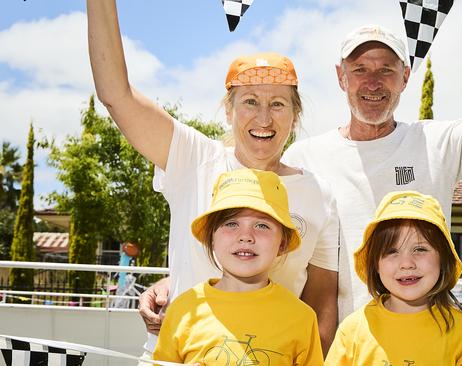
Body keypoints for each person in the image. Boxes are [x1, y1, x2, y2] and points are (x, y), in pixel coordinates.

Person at [86, 1, 339, 358]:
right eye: (250, 102)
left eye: (278, 104)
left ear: (295, 115)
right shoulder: (194, 158)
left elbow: (321, 302)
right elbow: (116, 95)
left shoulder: (319, 194)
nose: (264, 119)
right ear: (229, 109)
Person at [283, 0, 462, 318]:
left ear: (405, 77)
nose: (373, 82)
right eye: (359, 69)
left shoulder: (436, 143)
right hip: (339, 347)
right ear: (341, 77)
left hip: (425, 343)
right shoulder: (304, 158)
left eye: (386, 69)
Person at [154, 169, 323, 365]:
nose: (245, 236)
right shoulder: (184, 310)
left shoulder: (301, 318)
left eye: (262, 226)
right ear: (211, 238)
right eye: (231, 223)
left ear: (282, 244)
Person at [325, 191, 462, 365]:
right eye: (391, 252)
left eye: (420, 249)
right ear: (375, 264)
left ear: (443, 259)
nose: (406, 263)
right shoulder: (353, 330)